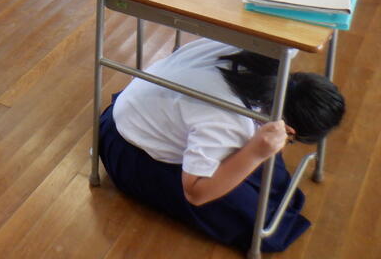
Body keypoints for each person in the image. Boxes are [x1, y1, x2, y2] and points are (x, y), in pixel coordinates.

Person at [98, 38, 345, 253]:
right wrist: (255, 153)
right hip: (126, 146)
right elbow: (195, 192)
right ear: (290, 130)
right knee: (261, 220)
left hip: (144, 102)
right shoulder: (230, 122)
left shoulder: (265, 50)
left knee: (264, 171)